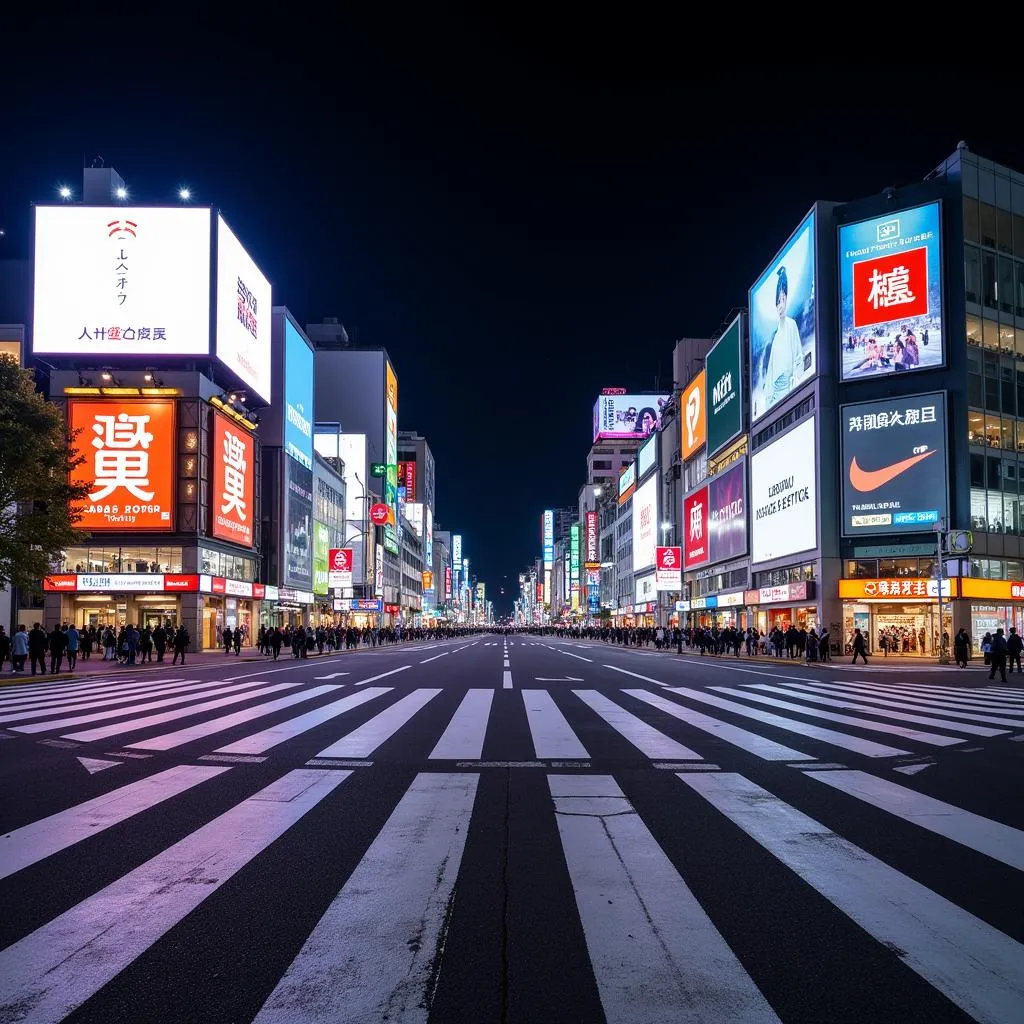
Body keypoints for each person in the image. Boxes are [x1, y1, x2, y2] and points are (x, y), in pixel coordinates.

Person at [760, 265, 803, 414]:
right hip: (776, 392)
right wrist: (769, 397)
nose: (780, 305)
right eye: (778, 301)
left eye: (783, 299)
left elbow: (798, 355)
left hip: (789, 386)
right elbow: (770, 369)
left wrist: (797, 379)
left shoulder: (791, 325)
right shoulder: (775, 335)